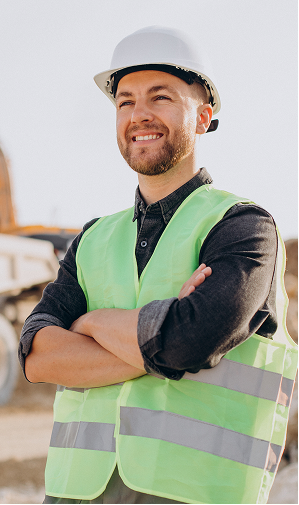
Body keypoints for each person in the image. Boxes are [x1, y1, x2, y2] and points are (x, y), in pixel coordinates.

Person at [18, 26, 298, 504]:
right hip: (75, 492)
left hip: (194, 493)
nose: (139, 114)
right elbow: (38, 357)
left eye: (160, 97)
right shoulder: (91, 239)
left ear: (204, 117)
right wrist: (159, 340)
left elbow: (189, 343)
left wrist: (88, 323)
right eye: (125, 101)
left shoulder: (244, 228)